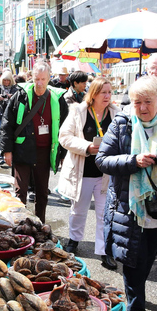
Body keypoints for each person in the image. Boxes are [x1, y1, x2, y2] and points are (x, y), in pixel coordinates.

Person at [96, 75, 157, 311]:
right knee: (132, 262)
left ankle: (136, 301)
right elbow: (102, 159)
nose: (142, 108)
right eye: (137, 102)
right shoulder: (122, 123)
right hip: (130, 206)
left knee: (147, 260)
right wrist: (133, 161)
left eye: (148, 102)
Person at [57, 77, 120, 269]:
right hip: (82, 171)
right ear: (93, 94)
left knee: (104, 214)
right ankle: (74, 241)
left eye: (110, 92)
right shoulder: (78, 111)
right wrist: (87, 147)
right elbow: (64, 137)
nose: (108, 96)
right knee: (78, 211)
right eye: (104, 92)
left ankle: (103, 251)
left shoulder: (117, 113)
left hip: (105, 174)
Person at [1, 61, 69, 222]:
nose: (39, 83)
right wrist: (7, 150)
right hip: (22, 148)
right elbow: (7, 122)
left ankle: (40, 225)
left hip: (45, 151)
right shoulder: (21, 95)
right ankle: (19, 224)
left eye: (43, 79)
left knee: (42, 191)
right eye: (36, 79)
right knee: (20, 191)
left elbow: (65, 127)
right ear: (31, 78)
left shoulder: (57, 99)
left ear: (49, 78)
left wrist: (63, 154)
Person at [0, 70, 18, 167]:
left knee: (9, 134)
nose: (6, 82)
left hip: (10, 115)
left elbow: (19, 100)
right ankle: (0, 156)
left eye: (8, 81)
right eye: (4, 80)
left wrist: (11, 97)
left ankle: (9, 154)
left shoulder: (15, 88)